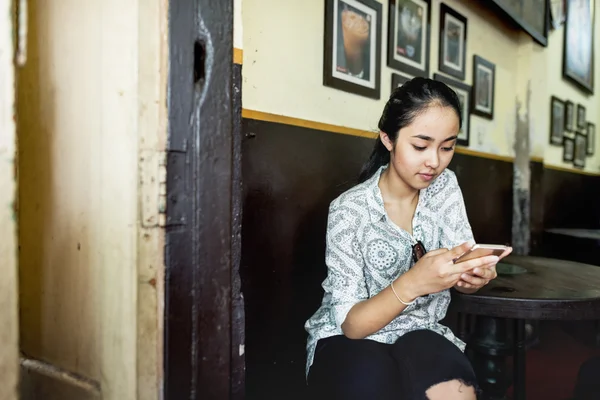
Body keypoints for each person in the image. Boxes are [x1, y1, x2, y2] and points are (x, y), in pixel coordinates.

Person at [304, 77, 512, 400]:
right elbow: (351, 325)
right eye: (420, 146)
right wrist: (414, 282)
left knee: (454, 390)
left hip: (421, 331)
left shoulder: (445, 187)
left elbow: (460, 259)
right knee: (372, 383)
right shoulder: (349, 211)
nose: (435, 162)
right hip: (351, 339)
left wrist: (471, 277)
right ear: (388, 139)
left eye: (447, 147)